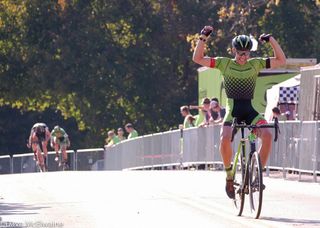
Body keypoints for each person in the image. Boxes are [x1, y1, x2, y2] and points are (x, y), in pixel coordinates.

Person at [193, 26, 286, 199]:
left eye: (246, 53)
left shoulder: (255, 64)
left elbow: (281, 60)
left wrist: (271, 39)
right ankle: (229, 175)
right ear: (234, 51)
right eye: (240, 53)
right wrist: (203, 37)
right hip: (233, 111)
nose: (243, 57)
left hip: (250, 110)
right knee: (224, 137)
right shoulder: (224, 63)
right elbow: (197, 58)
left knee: (267, 135)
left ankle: (257, 176)